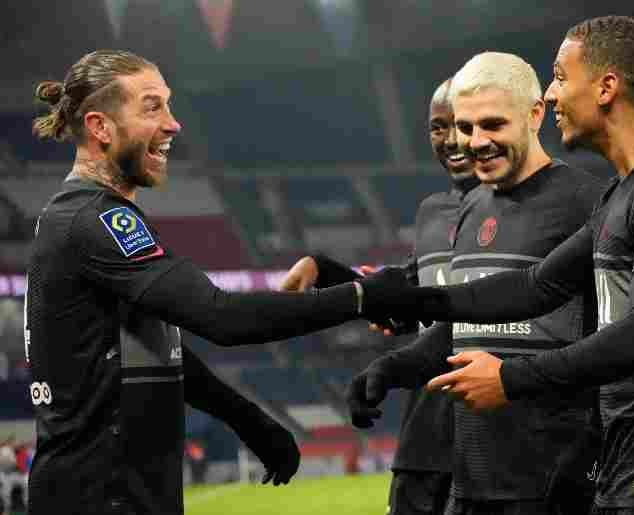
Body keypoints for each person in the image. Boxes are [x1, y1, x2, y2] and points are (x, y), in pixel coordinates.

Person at [358, 16, 634, 515]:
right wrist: (412, 298)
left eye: (561, 76)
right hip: (630, 465)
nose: (552, 93)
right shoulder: (624, 191)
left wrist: (510, 378)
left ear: (607, 86)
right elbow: (534, 286)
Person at [25, 49, 380, 515]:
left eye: (168, 105)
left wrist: (247, 418)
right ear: (100, 127)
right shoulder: (96, 219)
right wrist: (364, 295)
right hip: (101, 496)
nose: (173, 124)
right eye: (152, 107)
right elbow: (222, 317)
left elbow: (155, 345)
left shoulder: (84, 214)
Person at [348, 52, 604, 515]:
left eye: (492, 124)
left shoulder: (586, 202)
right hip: (470, 480)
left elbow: (618, 342)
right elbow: (461, 328)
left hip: (555, 481)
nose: (474, 142)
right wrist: (390, 370)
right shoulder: (471, 209)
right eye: (465, 127)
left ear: (534, 114)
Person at [281, 78, 479, 515]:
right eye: (437, 127)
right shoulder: (433, 212)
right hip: (424, 444)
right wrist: (328, 271)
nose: (449, 140)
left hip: (497, 443)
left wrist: (389, 364)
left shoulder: (527, 211)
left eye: (462, 124)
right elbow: (409, 305)